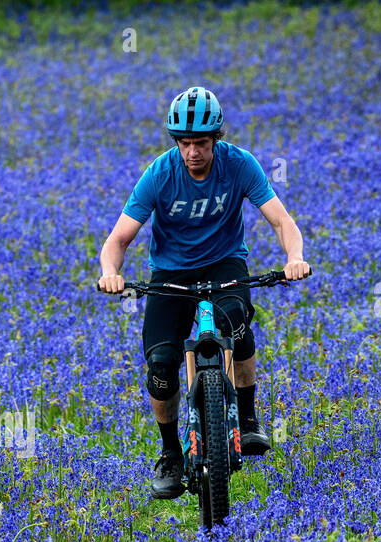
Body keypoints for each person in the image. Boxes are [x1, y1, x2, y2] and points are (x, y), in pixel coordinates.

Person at [97, 86, 310, 499]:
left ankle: (247, 420)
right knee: (161, 364)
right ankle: (171, 453)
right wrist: (110, 272)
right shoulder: (160, 174)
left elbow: (282, 222)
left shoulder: (240, 165)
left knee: (237, 320)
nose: (192, 152)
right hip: (171, 273)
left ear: (217, 139)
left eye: (201, 143)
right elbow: (118, 240)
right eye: (184, 143)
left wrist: (294, 258)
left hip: (223, 263)